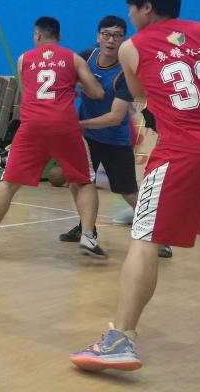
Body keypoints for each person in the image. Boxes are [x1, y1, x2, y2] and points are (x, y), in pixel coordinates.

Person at [71, 0, 200, 372]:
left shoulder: (132, 47)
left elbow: (140, 92)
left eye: (130, 8)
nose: (128, 16)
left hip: (181, 153)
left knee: (144, 240)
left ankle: (120, 340)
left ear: (146, 8)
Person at [0, 16, 107, 260]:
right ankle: (88, 235)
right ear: (59, 36)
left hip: (32, 126)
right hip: (63, 125)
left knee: (8, 183)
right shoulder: (74, 58)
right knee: (84, 181)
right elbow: (97, 92)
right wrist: (76, 85)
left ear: (37, 35)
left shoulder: (23, 59)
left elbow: (27, 91)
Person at [59, 16, 172, 258]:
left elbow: (114, 116)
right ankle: (86, 229)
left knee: (128, 191)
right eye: (107, 34)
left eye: (117, 35)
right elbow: (66, 78)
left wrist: (77, 124)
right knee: (77, 184)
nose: (111, 40)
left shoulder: (125, 74)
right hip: (88, 138)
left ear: (124, 39)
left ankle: (159, 237)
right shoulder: (86, 57)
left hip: (114, 140)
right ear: (98, 36)